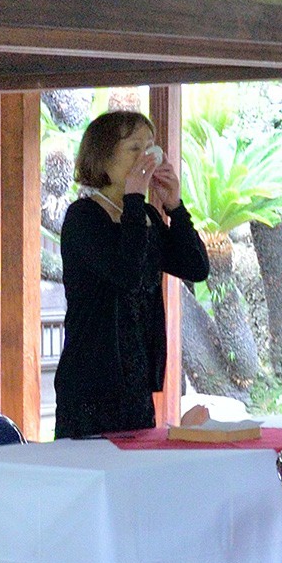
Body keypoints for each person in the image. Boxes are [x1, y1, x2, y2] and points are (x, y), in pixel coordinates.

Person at [52, 106, 210, 439]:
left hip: (136, 374)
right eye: (134, 148)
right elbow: (127, 273)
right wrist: (135, 199)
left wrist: (175, 207)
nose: (146, 156)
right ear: (104, 158)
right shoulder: (84, 217)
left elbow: (195, 267)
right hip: (93, 377)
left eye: (150, 145)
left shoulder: (147, 214)